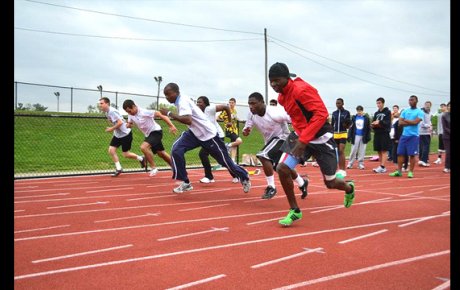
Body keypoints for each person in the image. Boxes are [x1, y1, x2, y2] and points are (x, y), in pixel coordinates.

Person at [268, 62, 355, 227]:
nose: (274, 85)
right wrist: (299, 137)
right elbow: (297, 116)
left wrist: (303, 140)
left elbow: (321, 114)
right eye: (271, 81)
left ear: (287, 78)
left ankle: (349, 188)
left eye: (277, 81)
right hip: (301, 136)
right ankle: (295, 210)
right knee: (282, 169)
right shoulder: (281, 97)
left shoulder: (301, 90)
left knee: (330, 183)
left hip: (321, 138)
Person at [160, 83, 251, 193]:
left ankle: (244, 176)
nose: (167, 97)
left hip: (208, 135)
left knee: (224, 161)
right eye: (165, 95)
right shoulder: (179, 101)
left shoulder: (183, 101)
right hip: (194, 133)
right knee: (176, 149)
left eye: (168, 94)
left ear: (176, 92)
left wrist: (169, 113)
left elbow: (188, 120)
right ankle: (186, 182)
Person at [242, 92, 308, 200]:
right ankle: (302, 183)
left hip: (283, 138)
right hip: (270, 141)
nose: (251, 107)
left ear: (262, 102)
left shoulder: (275, 112)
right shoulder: (251, 114)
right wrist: (246, 131)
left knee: (263, 155)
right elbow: (248, 126)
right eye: (249, 104)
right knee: (281, 167)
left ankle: (271, 187)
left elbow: (294, 118)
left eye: (254, 104)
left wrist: (302, 134)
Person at [122, 99, 177, 176]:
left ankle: (154, 168)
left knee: (144, 147)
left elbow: (161, 114)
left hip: (156, 132)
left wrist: (171, 126)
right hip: (148, 135)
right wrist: (128, 125)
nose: (129, 113)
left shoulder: (144, 112)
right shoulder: (131, 115)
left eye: (130, 111)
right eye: (127, 112)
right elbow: (130, 123)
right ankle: (176, 168)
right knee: (161, 153)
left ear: (134, 106)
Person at [98, 97, 146, 177]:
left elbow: (120, 123)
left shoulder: (112, 111)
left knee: (126, 154)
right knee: (111, 150)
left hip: (125, 134)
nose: (100, 105)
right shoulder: (107, 112)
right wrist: (113, 126)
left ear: (107, 104)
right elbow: (115, 122)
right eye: (100, 104)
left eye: (102, 103)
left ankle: (141, 158)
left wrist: (111, 128)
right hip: (118, 135)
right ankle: (119, 168)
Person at [196, 96, 236, 183]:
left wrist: (229, 121)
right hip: (208, 137)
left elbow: (226, 107)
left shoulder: (210, 109)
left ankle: (236, 174)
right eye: (197, 102)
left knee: (219, 158)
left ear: (205, 104)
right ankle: (209, 176)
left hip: (218, 135)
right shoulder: (198, 112)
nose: (198, 104)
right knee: (206, 155)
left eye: (200, 102)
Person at [389, 95, 424, 178]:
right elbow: (400, 123)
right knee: (400, 153)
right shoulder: (405, 111)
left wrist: (406, 120)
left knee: (412, 154)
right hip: (404, 136)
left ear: (416, 101)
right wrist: (410, 122)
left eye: (412, 100)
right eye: (409, 100)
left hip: (414, 136)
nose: (410, 101)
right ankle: (399, 171)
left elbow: (416, 122)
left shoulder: (419, 112)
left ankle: (410, 172)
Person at [218, 97, 243, 169]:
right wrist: (224, 120)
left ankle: (233, 161)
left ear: (235, 103)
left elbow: (235, 118)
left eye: (232, 103)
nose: (231, 104)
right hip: (229, 130)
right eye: (230, 103)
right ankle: (227, 145)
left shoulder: (234, 111)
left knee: (234, 146)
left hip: (235, 130)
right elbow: (219, 117)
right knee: (239, 141)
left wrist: (238, 119)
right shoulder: (226, 110)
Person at [331, 98, 351, 178]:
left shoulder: (346, 113)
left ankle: (343, 170)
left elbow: (349, 123)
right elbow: (332, 124)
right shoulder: (334, 113)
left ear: (343, 103)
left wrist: (347, 125)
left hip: (343, 133)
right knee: (336, 152)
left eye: (339, 103)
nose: (337, 105)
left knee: (341, 150)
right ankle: (337, 169)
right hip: (335, 134)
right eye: (336, 103)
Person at [371, 97, 392, 173]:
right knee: (378, 150)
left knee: (384, 150)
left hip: (384, 133)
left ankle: (383, 166)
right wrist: (373, 124)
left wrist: (380, 122)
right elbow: (373, 121)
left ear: (383, 103)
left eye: (379, 103)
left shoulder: (387, 112)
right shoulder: (376, 113)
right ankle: (381, 166)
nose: (378, 105)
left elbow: (387, 122)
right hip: (377, 133)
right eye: (377, 103)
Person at [347, 105, 371, 170]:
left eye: (360, 111)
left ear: (362, 111)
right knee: (353, 150)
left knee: (362, 150)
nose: (359, 112)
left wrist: (368, 137)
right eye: (358, 111)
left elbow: (368, 128)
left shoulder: (366, 118)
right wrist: (349, 136)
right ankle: (350, 163)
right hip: (355, 136)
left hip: (363, 136)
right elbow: (351, 128)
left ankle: (361, 164)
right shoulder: (354, 118)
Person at [418, 101, 432, 167]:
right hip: (423, 132)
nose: (427, 106)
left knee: (422, 146)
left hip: (427, 132)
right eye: (426, 104)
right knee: (426, 146)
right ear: (424, 105)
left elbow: (429, 121)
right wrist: (428, 125)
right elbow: (421, 123)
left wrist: (430, 125)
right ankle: (424, 160)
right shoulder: (422, 112)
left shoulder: (429, 113)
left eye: (429, 105)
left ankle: (421, 159)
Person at [441, 102, 450, 173]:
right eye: (449, 106)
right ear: (447, 107)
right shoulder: (444, 116)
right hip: (447, 137)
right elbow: (445, 128)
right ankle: (447, 167)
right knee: (448, 152)